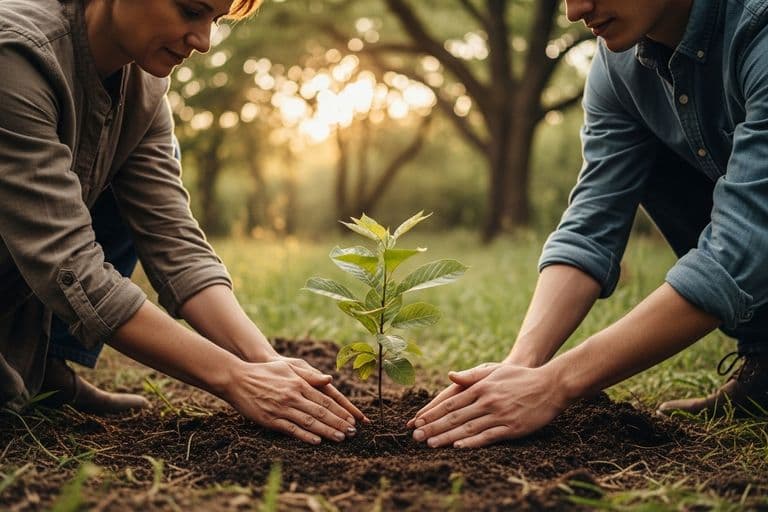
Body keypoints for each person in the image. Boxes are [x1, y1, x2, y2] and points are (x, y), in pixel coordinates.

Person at [0, 0, 368, 446]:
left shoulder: (144, 91)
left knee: (118, 170)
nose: (204, 42)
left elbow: (173, 239)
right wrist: (232, 378)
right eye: (191, 11)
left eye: (215, 21)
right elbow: (67, 263)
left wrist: (262, 360)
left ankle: (48, 368)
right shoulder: (16, 57)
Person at [408, 0, 768, 449]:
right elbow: (591, 224)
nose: (575, 10)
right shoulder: (619, 64)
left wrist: (557, 384)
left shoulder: (758, 28)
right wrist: (523, 364)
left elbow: (741, 248)